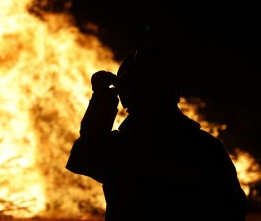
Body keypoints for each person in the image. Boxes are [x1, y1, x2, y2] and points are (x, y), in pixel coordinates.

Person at [66, 48, 247, 220]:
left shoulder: (122, 148)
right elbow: (233, 209)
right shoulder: (205, 147)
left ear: (127, 94)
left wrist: (102, 101)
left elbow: (84, 158)